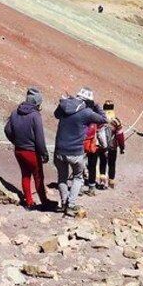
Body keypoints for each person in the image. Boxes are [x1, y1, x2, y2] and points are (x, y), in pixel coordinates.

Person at [53, 87, 107, 216]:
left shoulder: (64, 106)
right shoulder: (87, 112)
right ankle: (70, 205)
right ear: (88, 101)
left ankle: (63, 203)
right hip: (75, 151)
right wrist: (97, 105)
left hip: (59, 149)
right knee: (78, 178)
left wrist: (64, 102)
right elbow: (103, 119)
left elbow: (56, 115)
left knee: (62, 178)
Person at [3, 87, 55, 210]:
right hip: (31, 152)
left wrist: (15, 141)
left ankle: (29, 202)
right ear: (37, 102)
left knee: (25, 175)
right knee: (38, 177)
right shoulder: (35, 115)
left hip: (18, 150)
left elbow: (7, 130)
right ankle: (44, 202)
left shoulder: (15, 111)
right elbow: (40, 137)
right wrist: (44, 153)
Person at [99, 100, 125, 189]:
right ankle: (111, 182)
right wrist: (122, 147)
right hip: (113, 146)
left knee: (102, 163)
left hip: (102, 146)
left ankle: (102, 182)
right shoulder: (116, 121)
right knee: (112, 164)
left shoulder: (99, 119)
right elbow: (120, 136)